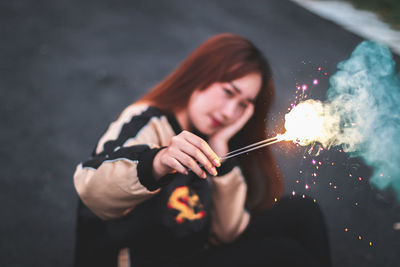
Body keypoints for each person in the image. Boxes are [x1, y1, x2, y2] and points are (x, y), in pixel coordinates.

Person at [73, 33, 331, 267]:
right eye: (228, 92)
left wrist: (223, 155)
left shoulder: (215, 136)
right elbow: (91, 190)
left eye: (244, 104)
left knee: (302, 212)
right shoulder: (146, 120)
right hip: (137, 259)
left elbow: (227, 232)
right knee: (284, 254)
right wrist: (158, 161)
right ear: (201, 77)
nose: (230, 113)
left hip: (187, 246)